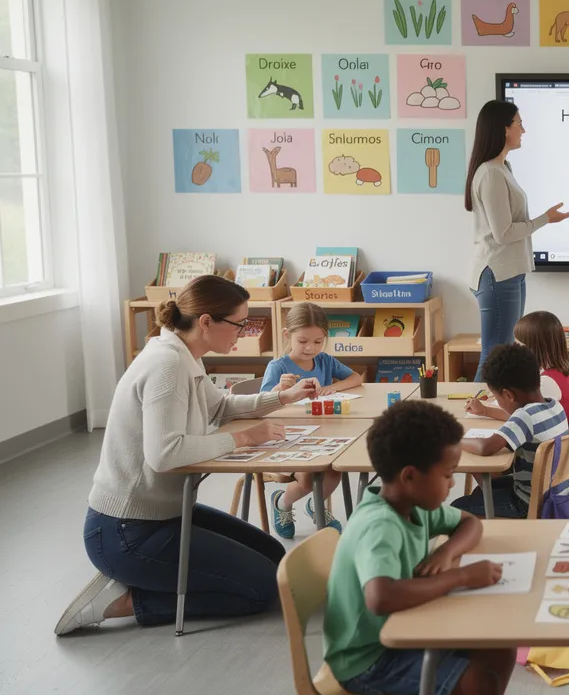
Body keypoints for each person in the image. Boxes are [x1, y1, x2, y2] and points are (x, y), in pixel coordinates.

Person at [56, 275, 319, 635]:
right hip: (126, 531)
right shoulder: (167, 365)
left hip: (164, 514)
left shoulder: (185, 355)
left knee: (273, 557)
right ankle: (121, 601)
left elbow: (220, 408)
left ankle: (145, 579)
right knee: (263, 589)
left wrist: (281, 398)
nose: (242, 333)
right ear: (206, 322)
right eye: (239, 324)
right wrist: (244, 438)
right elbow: (164, 453)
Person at [325, 400, 514, 695]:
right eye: (448, 475)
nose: (452, 484)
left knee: (501, 645)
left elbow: (470, 523)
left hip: (406, 627)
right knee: (477, 682)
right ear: (410, 476)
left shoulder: (414, 503)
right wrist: (461, 576)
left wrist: (446, 552)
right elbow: (380, 597)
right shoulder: (379, 524)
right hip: (368, 659)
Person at [465, 99, 569, 382]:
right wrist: (545, 219)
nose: (523, 130)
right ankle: (472, 409)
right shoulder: (491, 173)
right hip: (497, 274)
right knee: (495, 354)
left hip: (510, 272)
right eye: (519, 124)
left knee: (504, 352)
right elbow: (503, 234)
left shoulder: (503, 168)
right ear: (503, 129)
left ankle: (489, 406)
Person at [261, 301, 363, 537]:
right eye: (303, 341)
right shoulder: (278, 366)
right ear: (287, 335)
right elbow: (262, 402)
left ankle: (315, 505)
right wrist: (280, 389)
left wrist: (332, 387)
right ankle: (282, 503)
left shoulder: (325, 360)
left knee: (335, 470)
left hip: (322, 433)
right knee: (307, 480)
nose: (310, 348)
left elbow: (356, 377)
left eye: (318, 341)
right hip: (288, 437)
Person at [455, 343, 569, 518]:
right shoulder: (553, 405)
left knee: (455, 507)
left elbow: (485, 447)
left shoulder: (524, 417)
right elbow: (518, 420)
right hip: (555, 495)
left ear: (509, 395)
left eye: (497, 397)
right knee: (481, 490)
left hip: (527, 502)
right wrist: (485, 410)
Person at [468, 310, 569, 430]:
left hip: (549, 440)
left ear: (535, 348)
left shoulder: (547, 382)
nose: (516, 348)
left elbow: (520, 418)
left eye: (520, 345)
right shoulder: (558, 369)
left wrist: (485, 410)